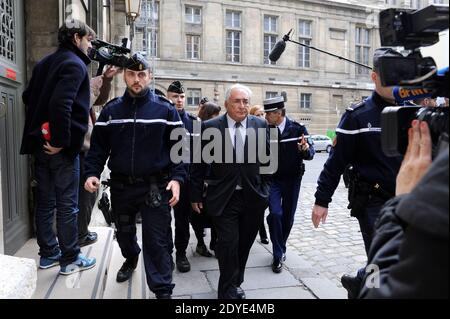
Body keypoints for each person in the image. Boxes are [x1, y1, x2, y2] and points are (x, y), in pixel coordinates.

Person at [84, 53, 186, 299]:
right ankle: (130, 258)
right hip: (122, 188)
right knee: (125, 233)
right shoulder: (111, 111)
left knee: (157, 241)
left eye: (141, 74)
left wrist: (177, 179)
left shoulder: (166, 110)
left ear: (149, 76)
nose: (137, 79)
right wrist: (91, 173)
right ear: (125, 76)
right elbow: (98, 149)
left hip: (155, 187)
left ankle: (163, 291)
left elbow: (180, 150)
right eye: (131, 74)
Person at [311, 48, 405, 298]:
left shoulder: (413, 111)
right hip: (373, 200)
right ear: (374, 77)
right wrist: (322, 200)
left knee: (403, 258)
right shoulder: (357, 116)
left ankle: (361, 281)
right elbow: (335, 162)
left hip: (409, 200)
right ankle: (370, 292)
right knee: (379, 258)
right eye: (389, 76)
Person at [20, 19, 96, 275]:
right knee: (67, 205)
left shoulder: (44, 63)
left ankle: (48, 254)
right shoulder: (74, 65)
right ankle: (70, 258)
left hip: (41, 146)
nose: (89, 46)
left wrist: (44, 135)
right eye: (88, 40)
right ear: (76, 38)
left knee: (46, 202)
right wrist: (60, 143)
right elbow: (61, 105)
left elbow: (27, 97)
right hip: (59, 150)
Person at [190, 84, 272, 299]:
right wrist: (195, 195)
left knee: (244, 244)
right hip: (223, 196)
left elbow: (269, 164)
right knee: (228, 244)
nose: (242, 106)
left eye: (246, 101)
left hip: (253, 197)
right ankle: (226, 291)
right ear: (227, 103)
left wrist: (265, 191)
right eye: (237, 101)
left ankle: (235, 282)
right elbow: (197, 165)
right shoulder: (209, 127)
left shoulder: (261, 125)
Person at [360, 121, 448, 298]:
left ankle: (365, 278)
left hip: (396, 202)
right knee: (371, 246)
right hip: (369, 198)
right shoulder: (357, 116)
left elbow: (378, 292)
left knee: (376, 256)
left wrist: (400, 206)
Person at [264, 97, 315, 273]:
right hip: (273, 180)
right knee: (275, 214)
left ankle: (280, 245)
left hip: (293, 180)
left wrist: (304, 150)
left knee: (288, 217)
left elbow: (311, 153)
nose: (265, 117)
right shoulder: (265, 130)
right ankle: (278, 254)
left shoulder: (298, 128)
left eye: (268, 114)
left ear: (278, 114)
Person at [166, 81, 211, 272]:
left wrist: (201, 182)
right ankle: (165, 253)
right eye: (175, 96)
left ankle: (181, 253)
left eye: (182, 97)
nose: (179, 100)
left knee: (182, 220)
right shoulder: (161, 119)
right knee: (161, 221)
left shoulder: (194, 123)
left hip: (186, 179)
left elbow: (201, 156)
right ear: (168, 96)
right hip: (163, 178)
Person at [78, 65, 122, 247]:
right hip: (78, 148)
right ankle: (80, 235)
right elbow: (83, 103)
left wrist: (106, 78)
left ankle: (81, 232)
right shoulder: (72, 73)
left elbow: (98, 99)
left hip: (85, 147)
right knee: (84, 196)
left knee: (87, 196)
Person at [194, 102, 222, 254]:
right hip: (201, 180)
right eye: (213, 116)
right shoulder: (198, 131)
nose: (216, 120)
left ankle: (215, 243)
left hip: (215, 181)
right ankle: (200, 243)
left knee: (217, 215)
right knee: (199, 215)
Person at [249, 105, 270, 245]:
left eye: (263, 114)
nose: (261, 117)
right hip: (251, 176)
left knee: (260, 209)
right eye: (258, 114)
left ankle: (263, 233)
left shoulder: (267, 129)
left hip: (263, 177)